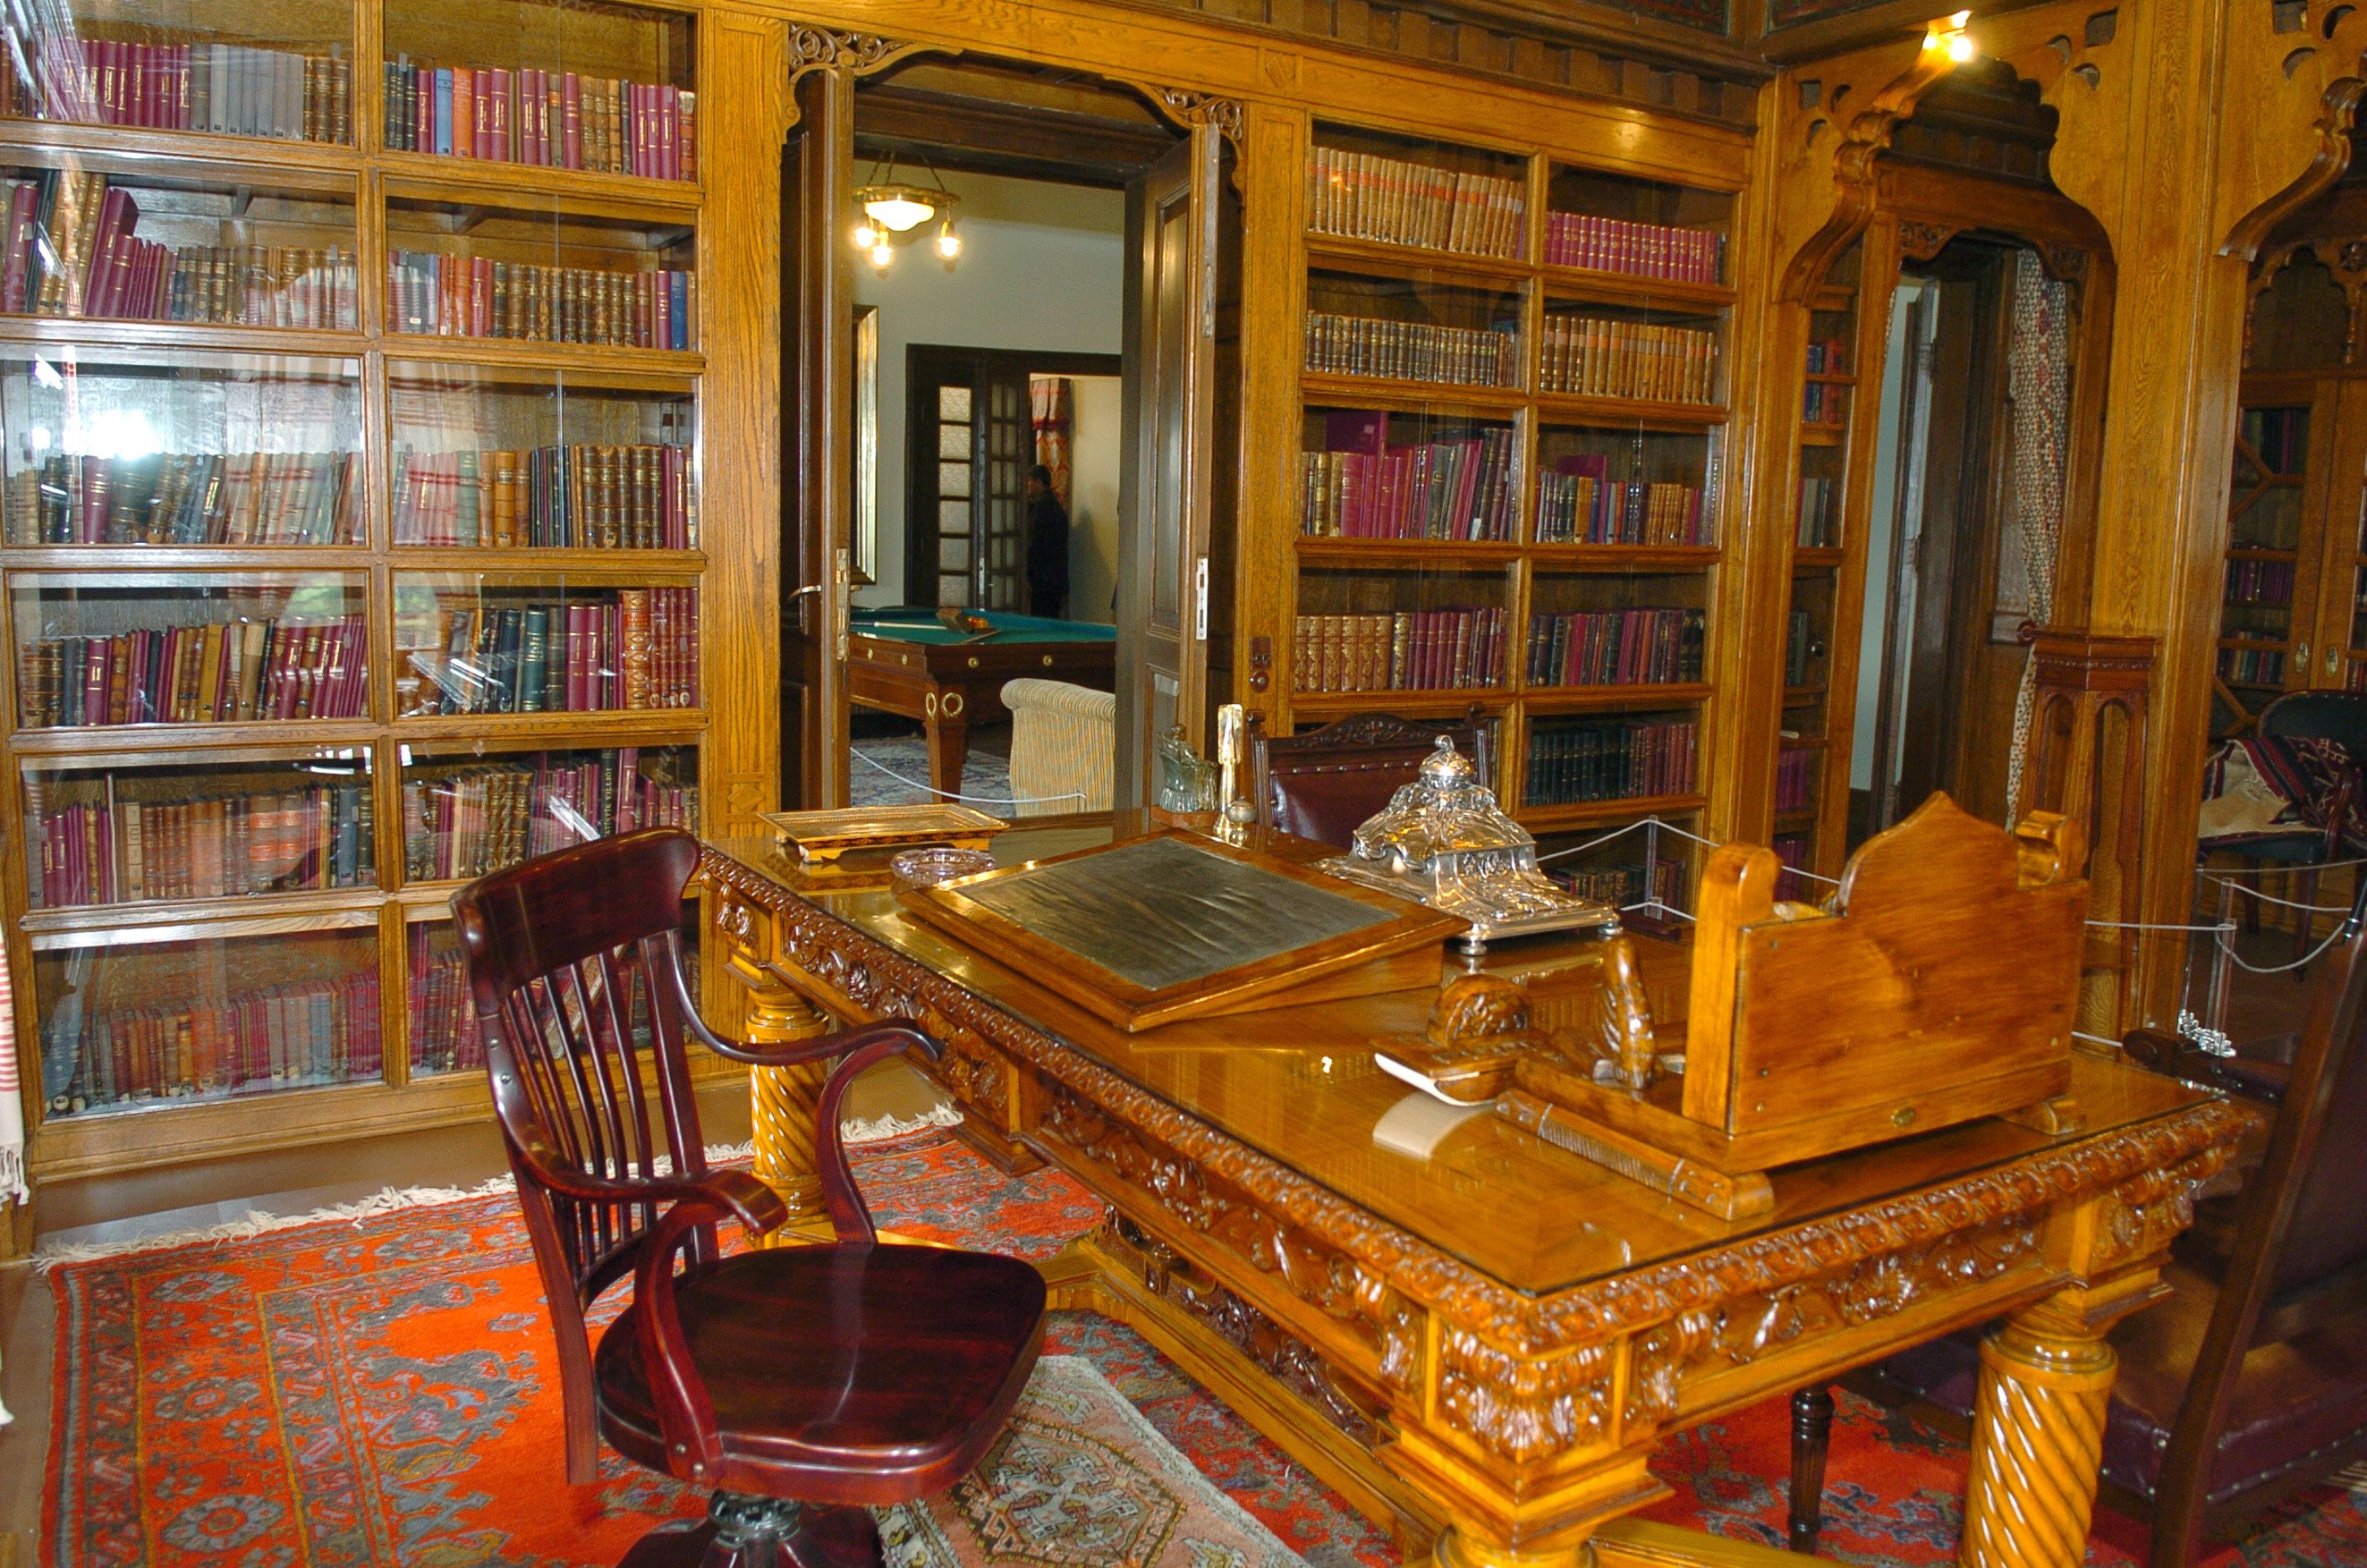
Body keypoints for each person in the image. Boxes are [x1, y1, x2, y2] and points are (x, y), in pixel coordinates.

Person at [1024, 462, 1070, 618]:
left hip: (1044, 580)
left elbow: (1036, 544)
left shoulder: (1044, 506)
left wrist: (1029, 575)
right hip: (1054, 579)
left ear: (1038, 482)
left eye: (1029, 480)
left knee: (1042, 621)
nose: (1027, 485)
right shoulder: (1051, 503)